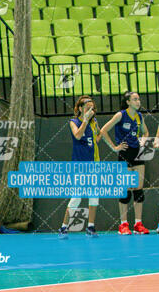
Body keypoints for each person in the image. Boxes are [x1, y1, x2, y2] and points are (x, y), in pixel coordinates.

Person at [100, 91, 149, 235]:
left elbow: (145, 132)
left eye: (139, 99)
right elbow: (103, 131)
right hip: (125, 153)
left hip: (137, 153)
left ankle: (138, 224)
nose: (138, 102)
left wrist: (143, 141)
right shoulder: (121, 115)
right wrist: (114, 147)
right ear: (128, 102)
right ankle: (123, 225)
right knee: (126, 190)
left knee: (138, 189)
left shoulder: (139, 116)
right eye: (135, 99)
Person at [58, 96, 101, 239]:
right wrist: (86, 120)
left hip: (92, 165)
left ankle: (91, 226)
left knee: (94, 196)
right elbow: (77, 135)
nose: (91, 110)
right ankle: (64, 228)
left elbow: (98, 136)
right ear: (81, 109)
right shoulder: (74, 122)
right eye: (88, 107)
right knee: (76, 197)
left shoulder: (94, 123)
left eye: (92, 108)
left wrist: (114, 147)